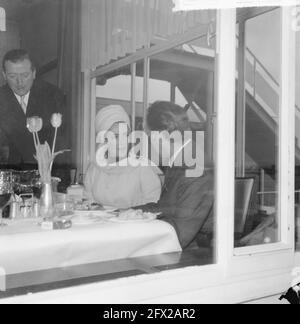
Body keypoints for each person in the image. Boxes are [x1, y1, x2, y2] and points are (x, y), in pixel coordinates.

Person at [134, 101, 214, 249]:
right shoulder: (181, 160)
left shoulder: (196, 169)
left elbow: (181, 234)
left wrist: (134, 224)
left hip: (199, 252)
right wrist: (128, 212)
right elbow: (164, 207)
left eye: (149, 135)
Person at [0, 49, 68, 169]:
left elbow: (61, 144)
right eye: (12, 76)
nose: (19, 82)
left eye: (25, 75)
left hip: (46, 173)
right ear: (4, 75)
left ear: (34, 73)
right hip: (8, 175)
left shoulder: (53, 95)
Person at [84, 105, 162, 210]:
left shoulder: (142, 167)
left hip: (135, 225)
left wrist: (126, 214)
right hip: (101, 225)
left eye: (125, 135)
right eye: (115, 136)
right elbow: (88, 202)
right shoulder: (94, 169)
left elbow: (154, 204)